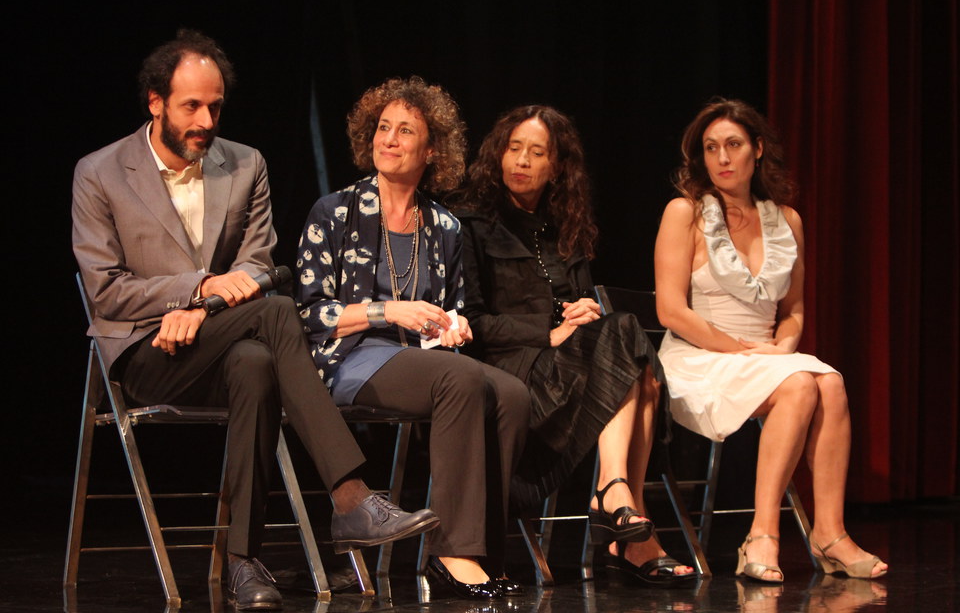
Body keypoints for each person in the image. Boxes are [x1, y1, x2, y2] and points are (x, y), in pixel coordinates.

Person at [71, 30, 438, 610]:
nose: (205, 118)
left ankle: (243, 561)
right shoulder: (100, 173)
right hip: (145, 351)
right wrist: (195, 291)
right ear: (155, 101)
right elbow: (105, 292)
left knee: (256, 363)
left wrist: (204, 307)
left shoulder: (244, 165)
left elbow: (260, 265)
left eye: (215, 106)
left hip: (225, 337)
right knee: (272, 318)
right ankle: (350, 498)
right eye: (191, 105)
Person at [295, 77, 531, 599]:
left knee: (512, 393)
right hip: (344, 359)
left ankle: (483, 550)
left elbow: (447, 313)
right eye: (383, 128)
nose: (390, 139)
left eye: (406, 131)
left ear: (432, 150)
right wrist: (388, 309)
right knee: (459, 378)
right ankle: (452, 552)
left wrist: (453, 325)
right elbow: (309, 316)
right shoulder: (334, 212)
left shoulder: (443, 226)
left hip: (414, 363)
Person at [454, 105, 695, 586]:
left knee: (630, 352)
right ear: (497, 155)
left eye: (536, 152)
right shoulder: (470, 224)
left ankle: (617, 497)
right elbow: (471, 323)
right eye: (513, 148)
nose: (521, 160)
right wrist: (548, 329)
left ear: (557, 167)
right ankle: (622, 510)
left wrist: (584, 314)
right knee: (632, 354)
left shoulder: (566, 228)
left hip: (573, 377)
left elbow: (582, 313)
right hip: (517, 379)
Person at [654, 98, 889, 582]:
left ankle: (830, 532)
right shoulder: (686, 213)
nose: (722, 158)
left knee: (830, 383)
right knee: (804, 383)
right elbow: (671, 311)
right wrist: (742, 350)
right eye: (711, 148)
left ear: (757, 150)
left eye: (733, 145)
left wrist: (782, 346)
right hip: (699, 359)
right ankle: (763, 533)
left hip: (769, 359)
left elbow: (794, 309)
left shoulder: (788, 221)